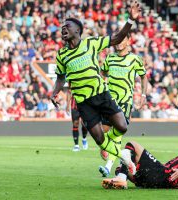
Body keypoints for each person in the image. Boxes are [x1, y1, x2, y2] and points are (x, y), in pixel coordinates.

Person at [51, 1, 142, 175]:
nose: (63, 29)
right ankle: (123, 157)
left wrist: (130, 19)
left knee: (122, 127)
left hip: (101, 94)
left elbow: (115, 38)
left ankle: (116, 149)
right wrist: (54, 92)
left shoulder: (91, 43)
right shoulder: (62, 55)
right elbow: (60, 77)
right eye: (62, 28)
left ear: (77, 30)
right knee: (100, 139)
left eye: (67, 26)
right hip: (83, 102)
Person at [98, 32, 148, 177]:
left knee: (119, 131)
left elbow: (144, 77)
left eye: (122, 39)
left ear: (128, 41)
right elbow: (103, 73)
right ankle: (105, 144)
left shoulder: (135, 59)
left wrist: (143, 95)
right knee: (104, 133)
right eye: (117, 40)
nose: (118, 42)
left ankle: (108, 166)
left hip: (125, 102)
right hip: (108, 101)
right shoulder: (110, 58)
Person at [102, 131, 178, 189]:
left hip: (163, 175)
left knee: (131, 145)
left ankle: (122, 179)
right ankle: (125, 176)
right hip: (161, 183)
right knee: (124, 161)